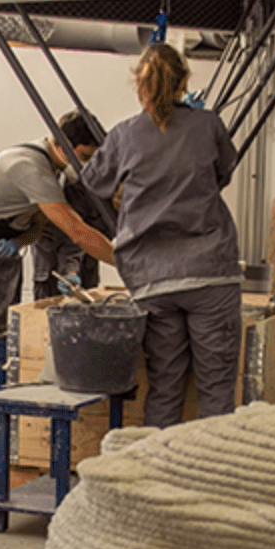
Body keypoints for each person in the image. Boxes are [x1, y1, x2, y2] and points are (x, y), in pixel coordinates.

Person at [80, 43, 243, 426]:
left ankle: (157, 476)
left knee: (166, 386)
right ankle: (216, 480)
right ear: (184, 81)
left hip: (153, 279)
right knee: (216, 389)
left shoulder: (124, 136)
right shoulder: (209, 125)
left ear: (139, 85)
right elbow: (223, 175)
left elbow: (93, 180)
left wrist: (128, 189)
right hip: (210, 273)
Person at [0, 110, 116, 275]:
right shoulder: (30, 168)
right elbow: (77, 231)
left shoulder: (54, 170)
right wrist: (126, 264)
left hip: (2, 256)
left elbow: (38, 228)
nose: (87, 165)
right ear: (64, 146)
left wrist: (17, 242)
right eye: (84, 157)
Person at [29, 175, 115, 302]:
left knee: (91, 302)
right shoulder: (80, 186)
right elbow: (74, 235)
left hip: (89, 256)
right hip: (55, 250)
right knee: (51, 305)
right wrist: (70, 271)